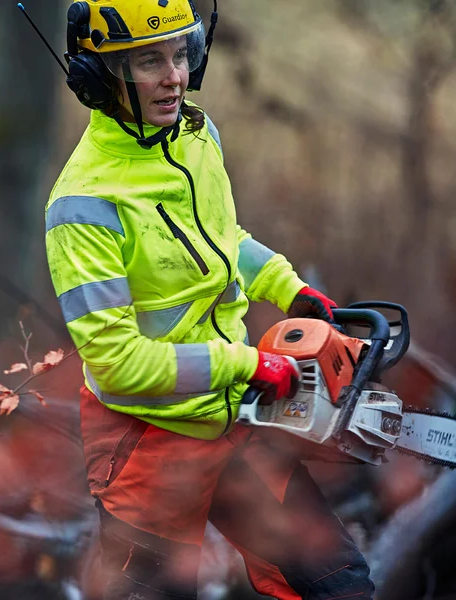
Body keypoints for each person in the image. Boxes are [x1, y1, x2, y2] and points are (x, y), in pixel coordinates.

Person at [44, 1, 374, 599]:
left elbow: (225, 241)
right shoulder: (83, 207)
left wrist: (288, 287)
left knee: (336, 585)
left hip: (231, 419)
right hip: (146, 445)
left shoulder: (197, 135)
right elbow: (119, 363)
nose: (173, 76)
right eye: (150, 61)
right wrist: (250, 363)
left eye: (181, 54)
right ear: (99, 78)